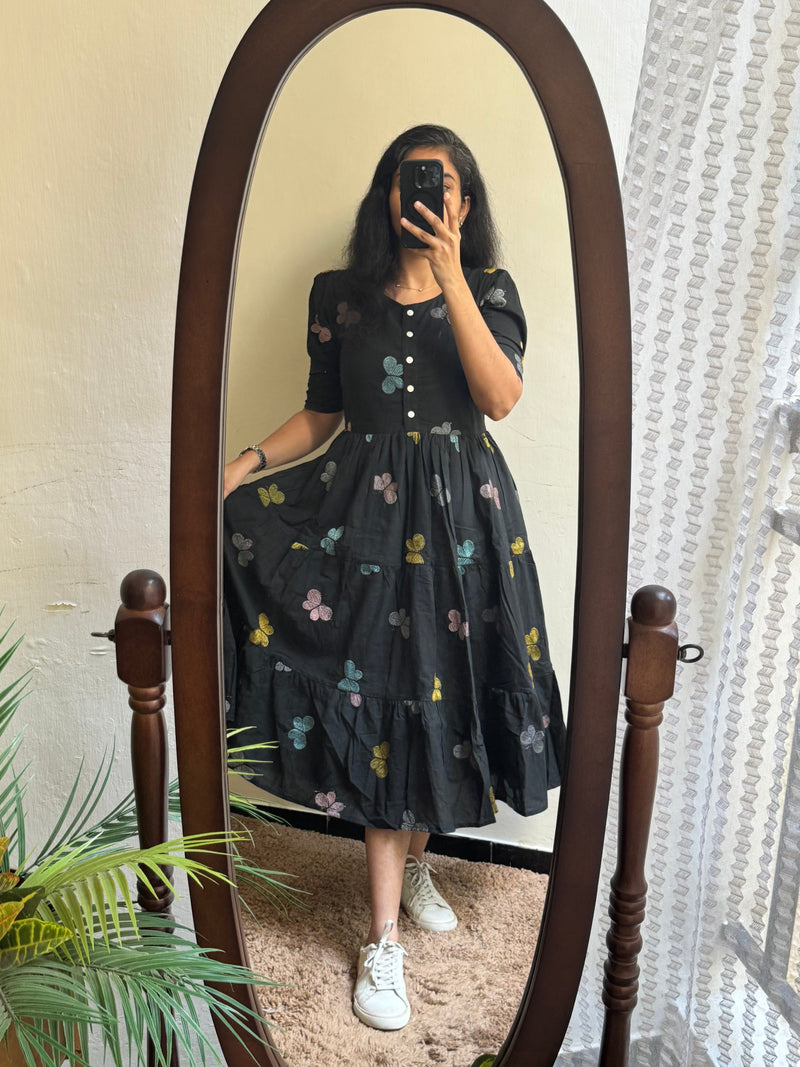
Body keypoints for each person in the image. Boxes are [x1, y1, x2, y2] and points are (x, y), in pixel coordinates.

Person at [222, 124, 566, 1032]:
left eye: (443, 186)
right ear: (387, 194)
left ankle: (417, 865)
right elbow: (322, 414)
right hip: (364, 522)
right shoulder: (338, 296)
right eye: (411, 183)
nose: (425, 197)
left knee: (443, 693)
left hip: (465, 529)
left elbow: (499, 397)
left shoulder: (490, 289)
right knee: (382, 695)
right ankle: (382, 938)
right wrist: (246, 462)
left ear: (464, 203)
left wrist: (452, 274)